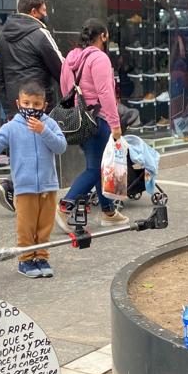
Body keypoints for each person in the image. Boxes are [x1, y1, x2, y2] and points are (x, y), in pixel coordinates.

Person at [0, 80, 66, 278]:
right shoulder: (11, 127)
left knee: (45, 226)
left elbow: (61, 147)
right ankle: (26, 259)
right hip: (24, 186)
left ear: (44, 106)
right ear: (19, 103)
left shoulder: (50, 123)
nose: (31, 108)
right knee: (26, 226)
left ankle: (42, 257)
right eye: (27, 103)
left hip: (48, 185)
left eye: (36, 104)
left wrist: (43, 131)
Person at [0, 0, 64, 213]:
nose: (46, 13)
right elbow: (61, 67)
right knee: (42, 149)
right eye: (43, 9)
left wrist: (9, 104)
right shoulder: (40, 33)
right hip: (39, 101)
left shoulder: (3, 35)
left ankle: (16, 189)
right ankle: (14, 186)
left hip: (16, 102)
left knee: (23, 149)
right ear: (33, 11)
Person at [56, 18, 129, 231]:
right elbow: (105, 92)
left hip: (80, 121)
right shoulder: (100, 59)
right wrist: (116, 125)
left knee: (99, 166)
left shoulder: (72, 57)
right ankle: (64, 207)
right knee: (95, 169)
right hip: (99, 120)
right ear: (103, 36)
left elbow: (65, 88)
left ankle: (108, 212)